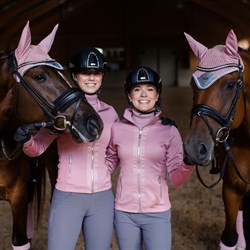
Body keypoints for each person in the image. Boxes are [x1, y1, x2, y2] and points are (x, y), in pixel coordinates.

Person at [14, 48, 119, 250]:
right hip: (68, 197)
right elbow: (38, 148)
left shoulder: (110, 112)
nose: (91, 78)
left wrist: (106, 171)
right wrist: (26, 140)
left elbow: (116, 149)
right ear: (74, 77)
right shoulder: (62, 111)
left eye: (96, 73)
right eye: (85, 73)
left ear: (102, 77)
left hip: (102, 198)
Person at [105, 66, 194, 250]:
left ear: (157, 95)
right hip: (124, 212)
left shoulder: (170, 131)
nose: (143, 95)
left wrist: (188, 162)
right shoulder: (117, 128)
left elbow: (176, 179)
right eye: (137, 89)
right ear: (129, 96)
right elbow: (109, 163)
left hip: (157, 213)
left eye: (150, 89)